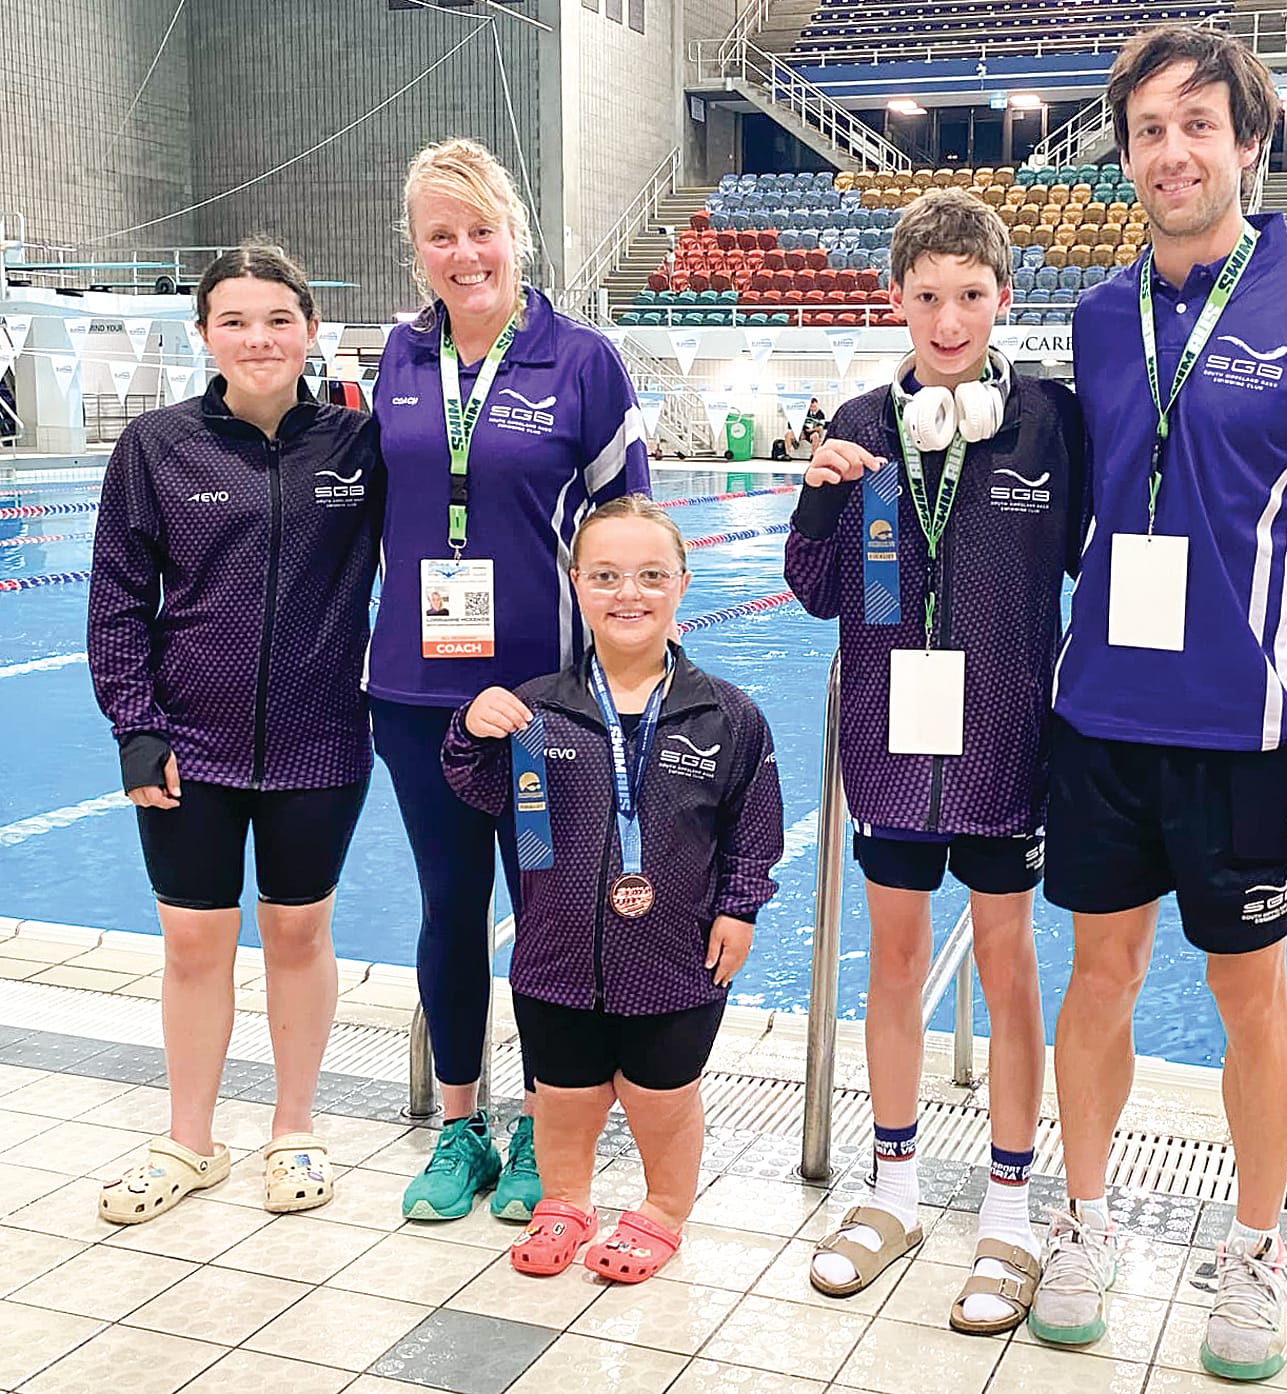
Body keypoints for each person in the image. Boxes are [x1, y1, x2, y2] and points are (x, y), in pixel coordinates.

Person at [1031, 26, 1287, 1382]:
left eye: (1200, 124)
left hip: (1255, 732)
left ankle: (1256, 1249)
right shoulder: (1094, 318)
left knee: (1251, 997)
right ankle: (1086, 1223)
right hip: (1101, 722)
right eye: (1148, 129)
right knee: (1099, 980)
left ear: (1251, 143)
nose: (1172, 150)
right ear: (1126, 154)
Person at [785, 187, 1085, 1335]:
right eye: (926, 297)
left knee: (1007, 963)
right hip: (891, 747)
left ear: (1002, 300)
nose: (948, 319)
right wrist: (819, 502)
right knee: (895, 959)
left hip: (1007, 747)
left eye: (969, 296)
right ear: (896, 300)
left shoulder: (1047, 425)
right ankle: (894, 1186)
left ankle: (1009, 1205)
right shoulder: (862, 419)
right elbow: (820, 594)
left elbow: (1097, 566)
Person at [368, 138, 649, 1223]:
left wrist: (624, 684)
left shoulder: (583, 362)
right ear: (418, 249)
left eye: (480, 228)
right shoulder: (393, 361)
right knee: (450, 908)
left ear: (514, 233)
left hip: (549, 704)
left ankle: (542, 1126)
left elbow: (628, 530)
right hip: (416, 698)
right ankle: (459, 1128)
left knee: (546, 915)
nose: (463, 251)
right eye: (440, 234)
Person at [88, 244, 381, 1224]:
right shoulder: (156, 446)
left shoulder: (357, 447)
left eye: (277, 319)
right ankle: (190, 1139)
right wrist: (136, 725)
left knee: (299, 930)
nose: (258, 338)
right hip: (189, 741)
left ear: (309, 328)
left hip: (322, 739)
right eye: (235, 320)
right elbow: (120, 595)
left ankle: (294, 1126)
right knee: (191, 944)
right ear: (203, 332)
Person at [441, 496, 783, 1282]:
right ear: (577, 585)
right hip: (557, 952)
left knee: (662, 1094)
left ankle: (663, 1209)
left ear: (683, 584)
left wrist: (740, 906)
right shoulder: (540, 710)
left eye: (650, 575)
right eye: (606, 576)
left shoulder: (725, 715)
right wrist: (467, 729)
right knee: (561, 1092)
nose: (629, 594)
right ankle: (566, 1199)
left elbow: (755, 823)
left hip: (674, 955)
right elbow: (479, 791)